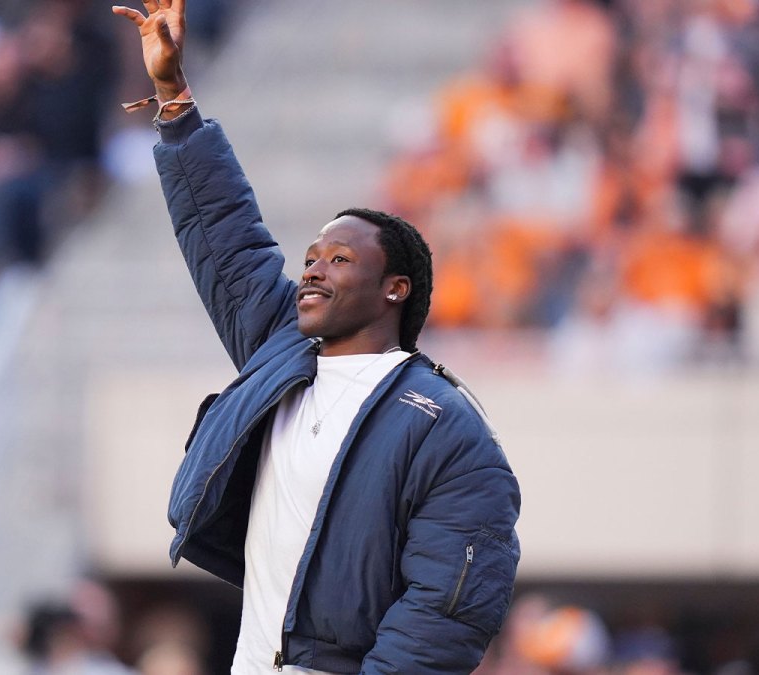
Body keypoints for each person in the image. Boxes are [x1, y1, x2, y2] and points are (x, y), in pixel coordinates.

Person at [111, 2, 521, 673]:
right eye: (310, 255)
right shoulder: (282, 352)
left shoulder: (445, 425)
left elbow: (446, 611)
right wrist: (175, 101)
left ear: (396, 288)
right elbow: (227, 237)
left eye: (339, 258)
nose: (312, 267)